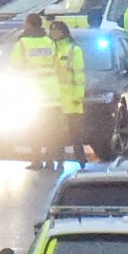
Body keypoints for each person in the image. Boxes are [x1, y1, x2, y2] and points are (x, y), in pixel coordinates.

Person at [8, 14, 62, 170]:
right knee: (51, 130)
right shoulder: (50, 42)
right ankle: (51, 159)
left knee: (34, 130)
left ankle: (36, 160)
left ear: (28, 24)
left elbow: (14, 68)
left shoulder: (23, 43)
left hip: (33, 95)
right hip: (52, 94)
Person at [48, 21, 86, 167]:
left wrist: (78, 96)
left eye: (55, 31)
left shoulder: (73, 50)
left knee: (75, 134)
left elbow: (79, 75)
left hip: (71, 100)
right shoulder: (51, 49)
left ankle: (81, 159)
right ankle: (58, 158)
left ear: (63, 32)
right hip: (55, 99)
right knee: (56, 132)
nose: (52, 34)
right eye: (51, 31)